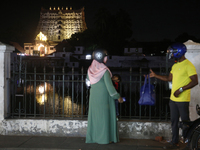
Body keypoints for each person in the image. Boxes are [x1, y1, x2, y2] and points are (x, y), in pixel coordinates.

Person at [149, 43, 198, 150]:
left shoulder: (188, 65)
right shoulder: (175, 65)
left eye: (172, 52)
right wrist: (155, 75)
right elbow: (169, 78)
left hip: (183, 99)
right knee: (174, 121)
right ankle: (175, 141)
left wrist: (180, 90)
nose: (170, 55)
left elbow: (195, 81)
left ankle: (187, 142)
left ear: (178, 52)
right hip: (173, 99)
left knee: (185, 122)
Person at [85, 49, 124, 144]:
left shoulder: (90, 70)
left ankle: (94, 138)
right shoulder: (104, 71)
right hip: (104, 98)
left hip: (93, 97)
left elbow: (87, 83)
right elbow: (110, 87)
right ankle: (105, 138)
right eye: (105, 57)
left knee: (95, 117)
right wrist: (118, 96)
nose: (106, 58)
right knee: (104, 118)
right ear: (102, 58)